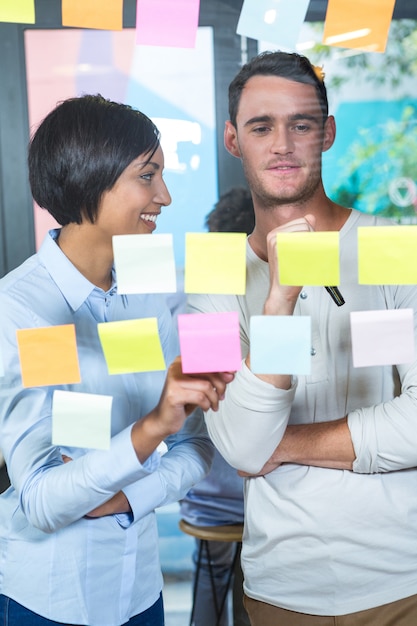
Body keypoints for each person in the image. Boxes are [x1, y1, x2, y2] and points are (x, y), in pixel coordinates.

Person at [187, 50, 417, 626]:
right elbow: (240, 447)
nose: (283, 143)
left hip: (403, 578)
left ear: (328, 134)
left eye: (302, 124)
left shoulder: (393, 247)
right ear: (233, 139)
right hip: (280, 589)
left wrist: (285, 444)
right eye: (262, 126)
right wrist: (280, 299)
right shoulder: (210, 275)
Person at [0, 94, 234, 626]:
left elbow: (196, 448)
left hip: (140, 595)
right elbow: (40, 500)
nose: (166, 196)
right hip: (50, 601)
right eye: (148, 176)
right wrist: (151, 430)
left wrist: (128, 497)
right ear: (90, 179)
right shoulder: (25, 310)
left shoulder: (155, 290)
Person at [180, 187, 254, 626]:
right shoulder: (278, 313)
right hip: (261, 499)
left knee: (211, 571)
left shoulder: (201, 314)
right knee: (256, 575)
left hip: (205, 499)